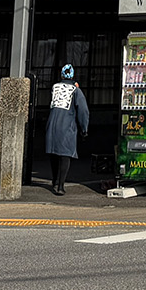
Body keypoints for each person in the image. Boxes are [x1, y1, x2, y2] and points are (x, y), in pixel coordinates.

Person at [43, 63, 89, 196]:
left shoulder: (55, 87)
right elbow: (83, 111)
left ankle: (55, 181)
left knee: (53, 153)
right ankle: (61, 186)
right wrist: (84, 129)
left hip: (51, 125)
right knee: (65, 155)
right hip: (66, 126)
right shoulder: (76, 91)